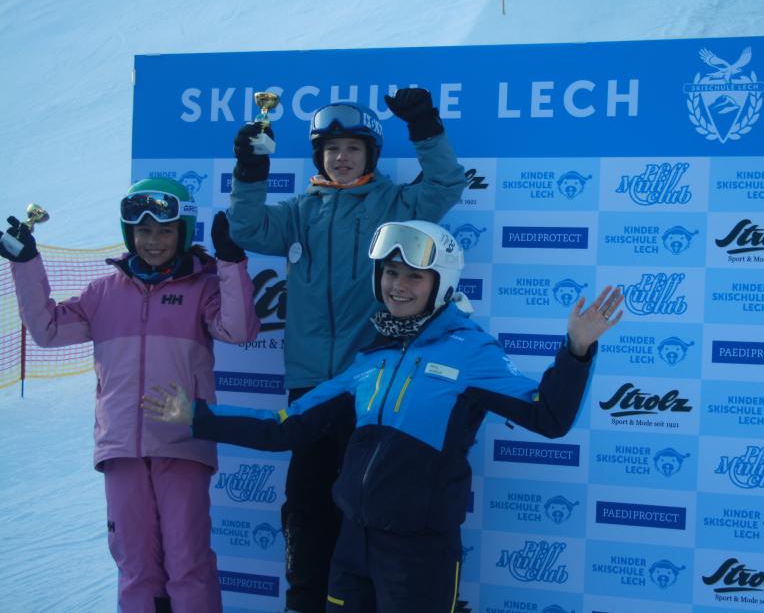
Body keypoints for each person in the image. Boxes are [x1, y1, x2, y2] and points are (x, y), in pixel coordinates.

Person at [143, 220, 624, 613]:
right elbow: (286, 428)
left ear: (440, 283)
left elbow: (547, 416)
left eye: (414, 276)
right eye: (391, 273)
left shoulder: (471, 351)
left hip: (419, 552)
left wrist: (576, 351)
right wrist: (199, 417)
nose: (399, 286)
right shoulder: (371, 358)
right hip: (353, 543)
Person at [228, 88, 467, 612]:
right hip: (311, 385)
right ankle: (304, 600)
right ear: (318, 157)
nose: (341, 157)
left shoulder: (394, 203)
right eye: (331, 149)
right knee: (307, 503)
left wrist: (425, 127)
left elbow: (447, 185)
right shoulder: (299, 211)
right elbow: (246, 227)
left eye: (353, 148)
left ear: (371, 155)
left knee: (367, 505)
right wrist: (250, 169)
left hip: (372, 385)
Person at [1, 177, 261, 613]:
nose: (153, 241)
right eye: (143, 231)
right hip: (121, 447)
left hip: (181, 442)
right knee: (136, 567)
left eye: (165, 230)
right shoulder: (103, 293)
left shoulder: (202, 287)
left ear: (183, 232)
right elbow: (47, 330)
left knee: (188, 564)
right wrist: (26, 262)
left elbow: (239, 330)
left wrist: (230, 261)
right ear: (129, 233)